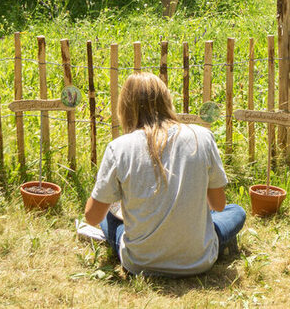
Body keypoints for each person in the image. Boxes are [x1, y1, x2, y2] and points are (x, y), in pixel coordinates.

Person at [82, 72, 246, 276]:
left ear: (124, 108)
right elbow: (218, 205)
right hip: (199, 259)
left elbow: (92, 216)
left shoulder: (119, 147)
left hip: (140, 262)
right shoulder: (202, 137)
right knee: (236, 211)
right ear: (167, 100)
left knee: (107, 213)